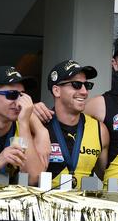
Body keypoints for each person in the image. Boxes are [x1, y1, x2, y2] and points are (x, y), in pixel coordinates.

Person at [34, 33, 118, 192]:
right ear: (114, 64)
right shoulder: (99, 104)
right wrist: (33, 113)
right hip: (115, 200)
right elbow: (64, 115)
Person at [44, 60, 109, 188]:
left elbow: (106, 175)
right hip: (44, 205)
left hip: (84, 206)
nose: (84, 92)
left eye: (87, 85)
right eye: (76, 85)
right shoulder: (40, 125)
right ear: (56, 91)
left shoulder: (99, 130)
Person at [0, 66, 47, 184]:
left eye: (22, 95)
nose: (20, 103)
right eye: (12, 95)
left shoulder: (24, 123)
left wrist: (24, 123)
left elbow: (34, 178)